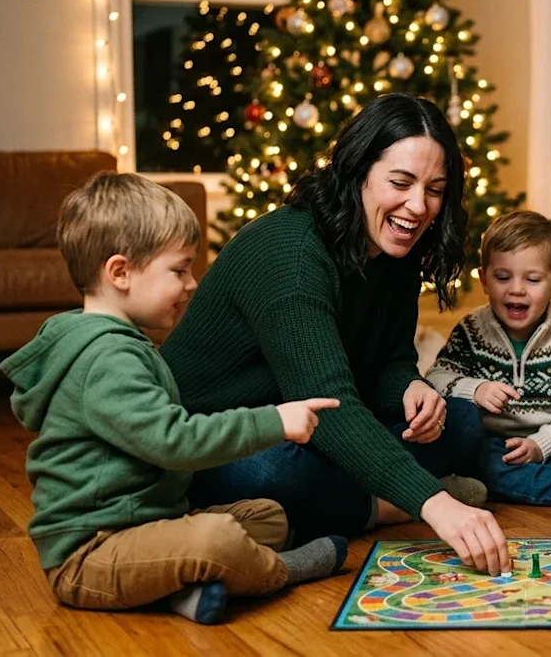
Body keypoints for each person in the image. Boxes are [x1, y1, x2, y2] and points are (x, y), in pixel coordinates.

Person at [161, 93, 511, 575]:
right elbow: (331, 406)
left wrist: (412, 387)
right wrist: (435, 503)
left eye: (435, 189)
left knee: (464, 421)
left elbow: (389, 360)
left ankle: (361, 495)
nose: (419, 205)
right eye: (401, 182)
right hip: (217, 443)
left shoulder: (399, 251)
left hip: (308, 424)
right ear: (357, 171)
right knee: (277, 472)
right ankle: (378, 507)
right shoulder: (291, 255)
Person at [1, 172, 347, 625]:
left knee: (267, 516)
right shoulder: (106, 358)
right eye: (179, 270)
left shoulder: (122, 344)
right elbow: (174, 442)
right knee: (215, 540)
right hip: (92, 553)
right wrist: (273, 421)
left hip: (148, 527)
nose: (192, 284)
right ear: (120, 272)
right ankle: (281, 572)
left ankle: (180, 589)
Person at [425, 211, 551, 508]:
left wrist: (540, 446)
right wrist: (476, 389)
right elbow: (435, 378)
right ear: (483, 279)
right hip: (493, 443)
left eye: (532, 279)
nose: (516, 289)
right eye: (503, 277)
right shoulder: (472, 330)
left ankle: (535, 483)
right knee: (480, 458)